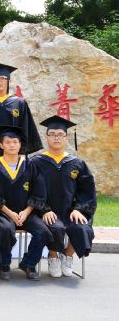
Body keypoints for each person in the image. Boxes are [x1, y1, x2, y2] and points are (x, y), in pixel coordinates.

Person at [0, 125, 51, 281]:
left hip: (26, 212)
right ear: (1, 145)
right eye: (8, 142)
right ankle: (4, 264)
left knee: (43, 232)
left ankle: (29, 264)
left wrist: (26, 212)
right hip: (3, 212)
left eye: (15, 142)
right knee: (5, 229)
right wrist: (10, 213)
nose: (12, 145)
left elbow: (38, 191)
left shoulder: (30, 165)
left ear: (20, 145)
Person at [31, 115, 96, 278]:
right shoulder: (36, 162)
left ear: (66, 138)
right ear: (46, 137)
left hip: (70, 210)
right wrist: (43, 210)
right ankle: (53, 257)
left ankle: (67, 256)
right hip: (45, 210)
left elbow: (87, 190)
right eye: (52, 134)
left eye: (60, 134)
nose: (56, 138)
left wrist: (79, 209)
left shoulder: (77, 163)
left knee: (81, 227)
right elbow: (30, 189)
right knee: (55, 227)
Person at [0, 63, 42, 156]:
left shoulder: (19, 103)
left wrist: (22, 152)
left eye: (2, 78)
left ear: (9, 81)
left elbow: (25, 127)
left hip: (14, 152)